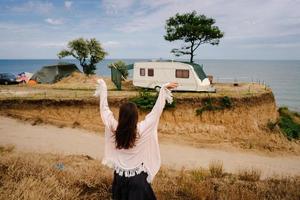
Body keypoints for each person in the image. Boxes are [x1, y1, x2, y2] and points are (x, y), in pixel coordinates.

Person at [94, 79, 178, 200]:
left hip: (119, 178)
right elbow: (156, 112)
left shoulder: (115, 128)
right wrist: (163, 90)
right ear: (136, 116)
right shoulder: (141, 130)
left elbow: (105, 111)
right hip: (137, 180)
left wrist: (103, 87)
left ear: (121, 116)